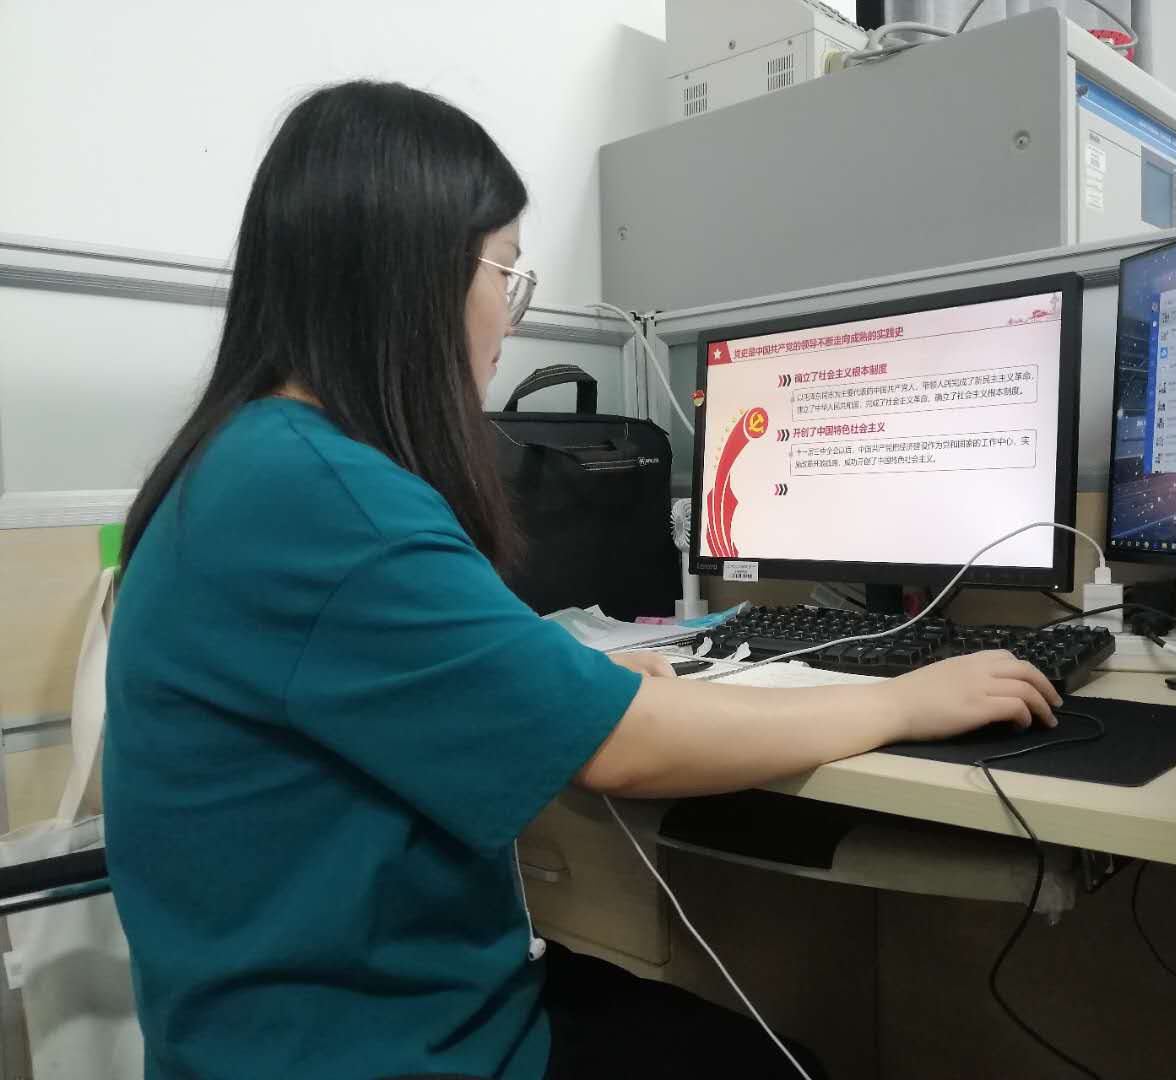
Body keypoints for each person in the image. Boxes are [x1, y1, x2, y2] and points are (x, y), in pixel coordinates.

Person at [104, 80, 1061, 1080]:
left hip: (298, 1027)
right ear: (417, 274)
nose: (510, 319)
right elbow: (626, 753)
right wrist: (904, 701)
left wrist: (577, 687)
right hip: (381, 1050)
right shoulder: (324, 496)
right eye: (506, 273)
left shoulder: (250, 462)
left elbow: (404, 674)